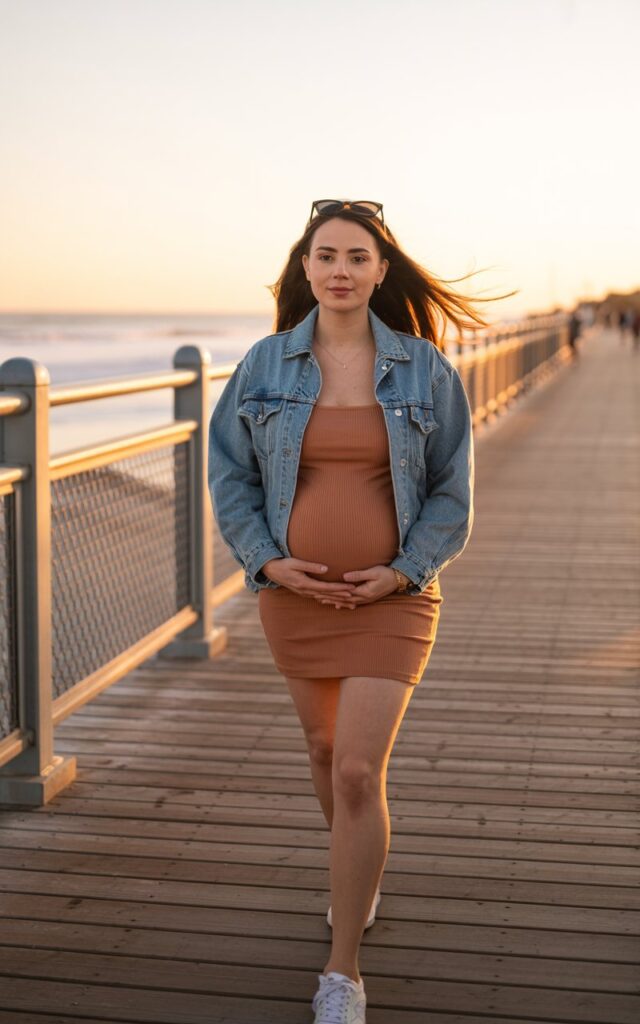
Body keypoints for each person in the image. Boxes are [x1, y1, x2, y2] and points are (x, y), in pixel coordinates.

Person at [208, 199, 513, 1023]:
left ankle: (342, 971)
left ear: (381, 270)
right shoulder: (264, 364)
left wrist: (405, 571)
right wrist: (268, 561)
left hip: (396, 597)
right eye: (325, 255)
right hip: (292, 596)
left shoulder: (422, 369)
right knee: (320, 750)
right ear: (303, 269)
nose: (340, 269)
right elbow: (229, 476)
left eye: (357, 256)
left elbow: (454, 489)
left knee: (355, 769)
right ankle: (356, 872)